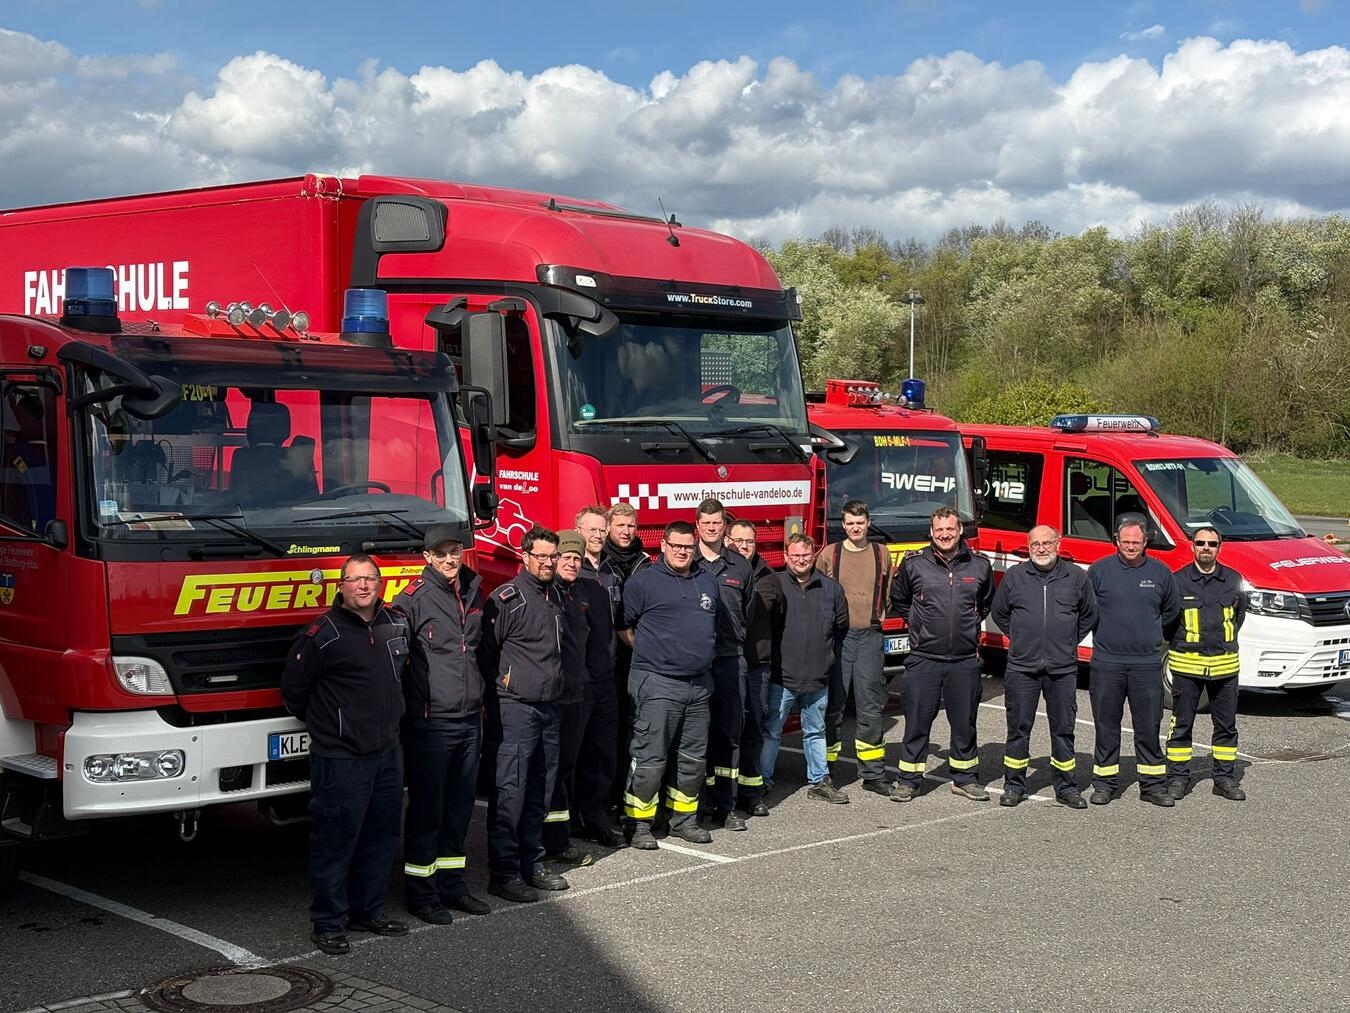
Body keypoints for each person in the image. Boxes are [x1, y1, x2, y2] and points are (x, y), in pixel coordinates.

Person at [281, 555, 410, 955]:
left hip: (387, 753)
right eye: (354, 580)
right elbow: (295, 692)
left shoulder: (394, 624)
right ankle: (329, 922)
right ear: (341, 586)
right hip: (341, 758)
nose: (363, 586)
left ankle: (368, 911)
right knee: (335, 842)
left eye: (369, 579)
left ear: (379, 583)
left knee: (381, 837)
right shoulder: (322, 634)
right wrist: (332, 728)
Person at [392, 526, 491, 925]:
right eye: (442, 553)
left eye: (454, 551)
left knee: (460, 809)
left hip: (470, 718)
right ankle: (422, 893)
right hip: (431, 723)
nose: (450, 559)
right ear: (427, 557)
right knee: (427, 810)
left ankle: (453, 886)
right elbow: (397, 662)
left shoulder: (473, 590)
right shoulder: (411, 599)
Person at [480, 525, 569, 903]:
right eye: (541, 556)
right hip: (515, 709)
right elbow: (485, 653)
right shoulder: (507, 599)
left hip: (550, 708)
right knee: (510, 793)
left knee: (539, 793)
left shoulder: (556, 595)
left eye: (552, 556)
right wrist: (505, 687)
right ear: (525, 556)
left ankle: (532, 863)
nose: (548, 562)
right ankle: (504, 873)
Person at [620, 520, 719, 850]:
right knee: (650, 759)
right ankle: (638, 824)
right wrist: (653, 653)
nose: (682, 551)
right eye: (675, 545)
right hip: (657, 683)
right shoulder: (643, 582)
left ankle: (683, 820)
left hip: (699, 685)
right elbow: (623, 626)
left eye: (688, 546)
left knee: (692, 759)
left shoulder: (707, 580)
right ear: (662, 545)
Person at [890, 507, 994, 802]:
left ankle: (964, 778)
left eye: (950, 529)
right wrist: (919, 625)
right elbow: (899, 598)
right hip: (924, 658)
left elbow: (985, 603)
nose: (945, 535)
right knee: (916, 723)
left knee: (964, 724)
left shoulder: (979, 565)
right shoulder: (914, 564)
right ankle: (908, 780)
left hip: (964, 660)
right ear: (931, 532)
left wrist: (966, 627)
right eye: (939, 530)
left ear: (959, 530)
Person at [990, 525, 1097, 809]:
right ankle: (1014, 786)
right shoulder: (1015, 576)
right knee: (1018, 728)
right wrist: (1021, 638)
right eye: (1035, 544)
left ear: (1058, 545)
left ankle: (1066, 787)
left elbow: (1089, 614)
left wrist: (1068, 641)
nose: (1041, 549)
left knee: (1063, 729)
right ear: (1028, 547)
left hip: (1062, 668)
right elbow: (999, 612)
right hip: (1022, 667)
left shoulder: (1075, 577)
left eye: (1046, 543)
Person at [1087, 515, 1181, 807]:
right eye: (1125, 541)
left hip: (1146, 664)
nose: (1130, 546)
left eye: (1136, 542)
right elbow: (1087, 609)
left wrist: (1148, 635)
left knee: (1149, 726)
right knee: (1106, 726)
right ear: (1116, 541)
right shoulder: (1099, 571)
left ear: (1145, 542)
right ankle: (1104, 784)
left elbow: (1171, 612)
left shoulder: (1161, 573)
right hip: (1107, 662)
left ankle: (1152, 786)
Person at [762, 533, 851, 803]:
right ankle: (761, 782)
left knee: (815, 731)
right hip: (782, 677)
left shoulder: (831, 589)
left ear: (814, 555)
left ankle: (819, 781)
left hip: (817, 677)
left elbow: (841, 627)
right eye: (795, 555)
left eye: (806, 555)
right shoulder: (775, 584)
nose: (801, 560)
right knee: (771, 732)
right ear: (785, 556)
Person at [814, 499, 894, 795]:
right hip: (839, 639)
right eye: (850, 523)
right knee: (833, 707)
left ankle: (873, 774)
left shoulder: (881, 553)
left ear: (868, 523)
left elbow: (887, 594)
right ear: (843, 524)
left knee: (870, 707)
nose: (855, 528)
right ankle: (825, 772)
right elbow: (817, 594)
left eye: (860, 523)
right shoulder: (829, 554)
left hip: (870, 637)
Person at [1165, 527, 1247, 801]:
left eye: (1212, 544)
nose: (1206, 548)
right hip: (1187, 668)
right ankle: (1178, 778)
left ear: (1219, 547)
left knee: (1226, 727)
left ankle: (1224, 779)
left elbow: (1238, 617)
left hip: (1225, 668)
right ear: (1192, 546)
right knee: (1181, 726)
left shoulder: (1233, 579)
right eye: (1200, 543)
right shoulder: (1177, 581)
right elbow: (1168, 623)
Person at [694, 498, 756, 832]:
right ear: (698, 526)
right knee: (694, 735)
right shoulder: (686, 561)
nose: (712, 528)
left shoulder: (740, 566)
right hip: (696, 662)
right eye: (706, 523)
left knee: (730, 734)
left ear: (725, 526)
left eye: (717, 522)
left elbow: (749, 611)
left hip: (731, 660)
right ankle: (696, 804)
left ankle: (726, 805)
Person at [541, 530, 600, 866]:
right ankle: (540, 842)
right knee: (547, 772)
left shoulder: (578, 594)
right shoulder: (546, 593)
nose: (572, 563)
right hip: (551, 698)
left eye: (577, 559)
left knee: (564, 771)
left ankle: (558, 841)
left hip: (577, 694)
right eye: (566, 557)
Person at [572, 508, 625, 847]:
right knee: (573, 755)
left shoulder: (612, 571)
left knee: (603, 752)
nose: (597, 535)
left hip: (606, 676)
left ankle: (596, 820)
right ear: (578, 530)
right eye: (591, 529)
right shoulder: (569, 570)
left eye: (601, 530)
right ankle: (567, 821)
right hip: (577, 679)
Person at [728, 519, 783, 818]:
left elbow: (778, 621)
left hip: (756, 667)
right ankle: (722, 795)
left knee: (753, 730)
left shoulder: (769, 578)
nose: (743, 546)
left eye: (749, 541)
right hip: (725, 663)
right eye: (738, 541)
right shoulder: (719, 573)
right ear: (728, 541)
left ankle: (751, 793)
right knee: (725, 730)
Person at [599, 502, 652, 807]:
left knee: (634, 729)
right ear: (609, 528)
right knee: (610, 731)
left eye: (631, 525)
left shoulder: (646, 562)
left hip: (636, 658)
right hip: (607, 657)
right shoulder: (600, 561)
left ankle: (625, 792)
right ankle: (607, 794)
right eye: (620, 525)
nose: (626, 531)